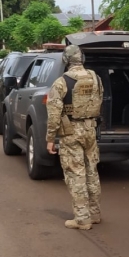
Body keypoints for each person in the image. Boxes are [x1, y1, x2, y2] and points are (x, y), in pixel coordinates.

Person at [46, 45, 104, 230]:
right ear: (82, 59)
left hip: (71, 131)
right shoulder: (96, 78)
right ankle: (94, 213)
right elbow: (99, 100)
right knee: (91, 171)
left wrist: (50, 138)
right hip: (91, 129)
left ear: (66, 60)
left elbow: (54, 113)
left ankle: (82, 218)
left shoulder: (61, 82)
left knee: (75, 172)